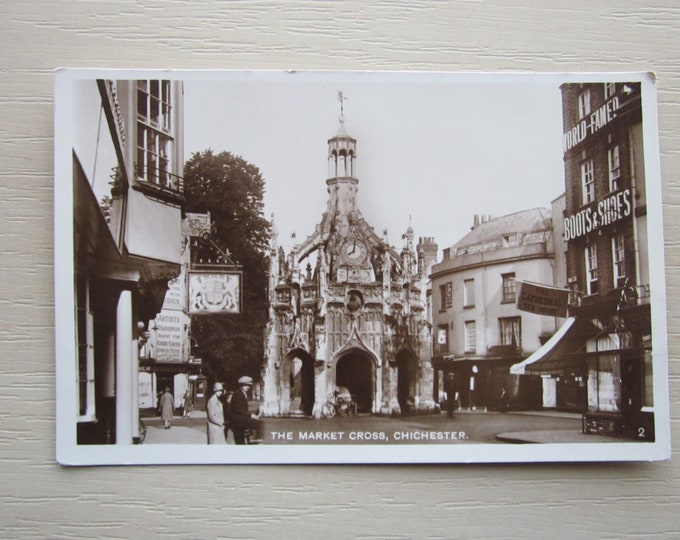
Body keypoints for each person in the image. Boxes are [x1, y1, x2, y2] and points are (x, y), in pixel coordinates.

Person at [229, 376, 263, 444]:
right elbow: (237, 409)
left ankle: (255, 439)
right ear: (241, 385)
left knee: (241, 442)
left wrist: (256, 412)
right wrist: (251, 415)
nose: (247, 387)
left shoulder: (242, 393)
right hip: (238, 422)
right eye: (245, 385)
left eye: (248, 385)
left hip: (241, 420)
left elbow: (243, 409)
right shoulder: (238, 394)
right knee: (259, 424)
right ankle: (255, 439)